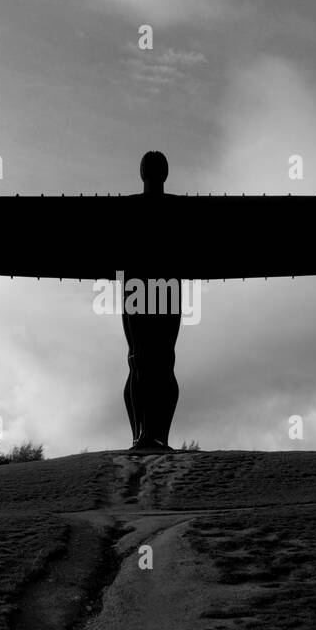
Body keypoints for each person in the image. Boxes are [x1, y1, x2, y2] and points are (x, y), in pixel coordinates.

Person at [122, 151, 180, 451]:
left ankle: (154, 435)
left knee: (150, 360)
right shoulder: (129, 209)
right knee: (143, 359)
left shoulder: (175, 209)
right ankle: (144, 435)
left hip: (157, 287)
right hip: (148, 287)